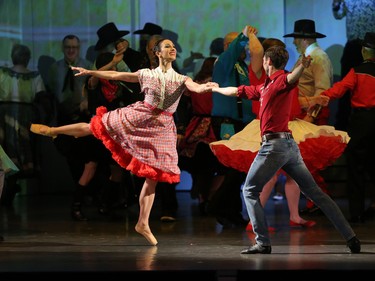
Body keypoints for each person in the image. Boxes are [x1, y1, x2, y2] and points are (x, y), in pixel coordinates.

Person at [30, 38, 218, 246]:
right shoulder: (147, 74)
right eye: (167, 46)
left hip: (162, 128)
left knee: (153, 175)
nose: (172, 48)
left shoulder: (182, 78)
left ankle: (142, 223)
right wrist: (92, 72)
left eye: (173, 46)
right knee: (97, 126)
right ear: (157, 53)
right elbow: (117, 74)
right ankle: (54, 130)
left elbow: (196, 88)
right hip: (141, 116)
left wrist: (207, 87)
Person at [212, 45, 361, 254]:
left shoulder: (282, 80)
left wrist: (302, 66)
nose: (262, 62)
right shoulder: (265, 87)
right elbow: (237, 91)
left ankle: (263, 242)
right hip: (288, 147)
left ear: (268, 62)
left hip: (274, 146)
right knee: (315, 194)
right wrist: (215, 88)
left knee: (249, 190)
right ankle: (351, 237)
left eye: (263, 59)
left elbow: (292, 78)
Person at [320, 32, 375, 224]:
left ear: (364, 51)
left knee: (355, 169)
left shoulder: (358, 71)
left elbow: (338, 90)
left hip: (361, 123)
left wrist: (320, 98)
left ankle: (357, 213)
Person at [207, 25, 257, 228]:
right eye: (240, 45)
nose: (244, 49)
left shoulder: (241, 66)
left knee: (237, 169)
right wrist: (244, 37)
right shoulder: (223, 62)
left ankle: (231, 211)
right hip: (227, 123)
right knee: (232, 168)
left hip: (240, 122)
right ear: (229, 46)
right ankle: (217, 205)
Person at [283, 19, 334, 214]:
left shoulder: (318, 57)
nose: (294, 42)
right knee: (304, 162)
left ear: (304, 39)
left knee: (308, 161)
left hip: (311, 115)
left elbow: (323, 93)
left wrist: (311, 117)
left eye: (296, 38)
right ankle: (317, 202)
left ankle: (319, 202)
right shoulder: (307, 55)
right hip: (304, 113)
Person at [46, 34, 94, 221]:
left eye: (74, 47)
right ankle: (81, 192)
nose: (71, 50)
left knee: (85, 158)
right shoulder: (54, 69)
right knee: (70, 157)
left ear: (79, 47)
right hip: (63, 118)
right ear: (63, 48)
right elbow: (51, 93)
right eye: (68, 47)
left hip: (82, 118)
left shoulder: (87, 65)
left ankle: (85, 194)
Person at [0, 44, 51, 206]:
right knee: (19, 149)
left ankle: (9, 189)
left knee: (10, 150)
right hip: (21, 116)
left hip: (8, 115)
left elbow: (43, 97)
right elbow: (43, 97)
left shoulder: (3, 73)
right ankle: (9, 188)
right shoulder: (33, 76)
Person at [332, 0, 375, 130]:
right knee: (346, 86)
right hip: (353, 46)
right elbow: (338, 15)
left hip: (371, 47)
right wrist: (336, 3)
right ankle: (342, 125)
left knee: (370, 85)